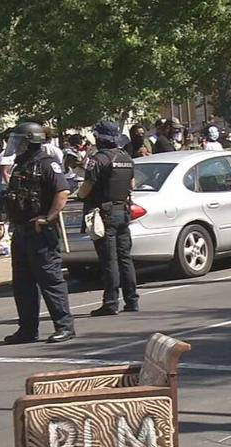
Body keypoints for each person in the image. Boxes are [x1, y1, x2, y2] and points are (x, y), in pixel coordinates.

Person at [1, 122, 75, 344]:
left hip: (40, 232)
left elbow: (62, 192)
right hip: (21, 232)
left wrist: (48, 218)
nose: (15, 145)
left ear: (30, 141)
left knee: (50, 280)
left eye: (19, 140)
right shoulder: (20, 165)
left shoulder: (47, 163)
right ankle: (27, 329)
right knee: (22, 283)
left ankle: (64, 326)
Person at [77, 120, 139, 316]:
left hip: (105, 214)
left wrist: (79, 195)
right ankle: (131, 300)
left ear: (99, 138)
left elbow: (86, 189)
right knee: (125, 258)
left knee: (108, 260)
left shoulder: (98, 160)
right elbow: (132, 184)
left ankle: (111, 302)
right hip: (123, 211)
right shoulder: (126, 158)